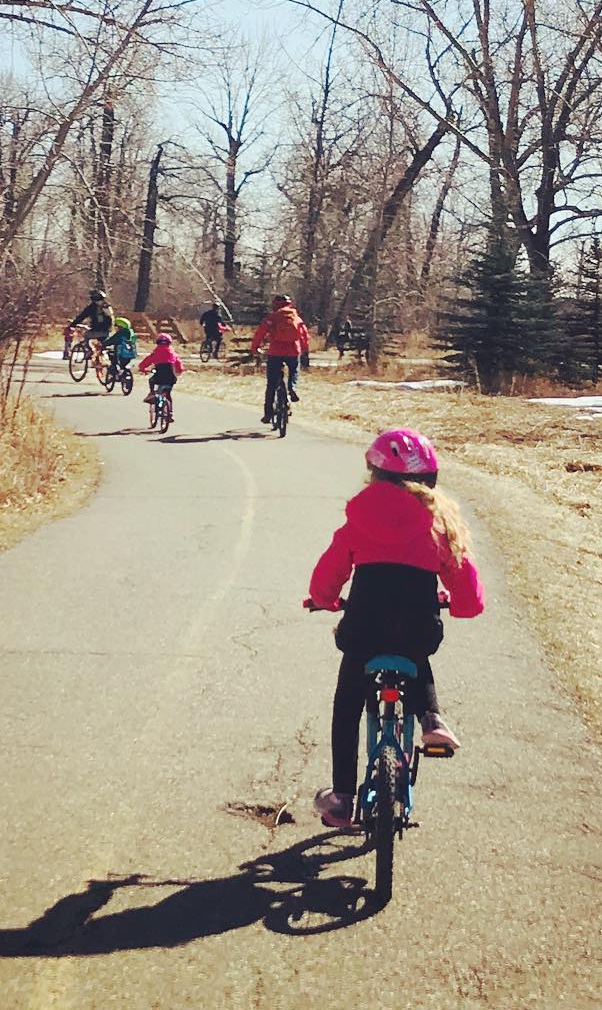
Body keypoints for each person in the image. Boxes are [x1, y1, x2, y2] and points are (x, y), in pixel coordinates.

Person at [305, 427, 484, 829]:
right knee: (416, 655)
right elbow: (466, 584)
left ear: (376, 476)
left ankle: (342, 798)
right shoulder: (440, 524)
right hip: (418, 628)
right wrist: (465, 606)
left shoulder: (358, 518)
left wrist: (323, 598)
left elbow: (328, 573)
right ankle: (432, 720)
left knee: (347, 704)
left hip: (364, 629)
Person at [250, 294, 310, 424]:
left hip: (276, 351)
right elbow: (304, 334)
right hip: (293, 350)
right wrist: (304, 349)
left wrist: (255, 347)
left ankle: (268, 414)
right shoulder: (296, 317)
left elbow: (261, 332)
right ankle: (292, 388)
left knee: (271, 384)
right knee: (294, 370)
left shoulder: (273, 317)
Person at [137, 333, 185, 419]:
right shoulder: (172, 352)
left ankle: (152, 393)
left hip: (159, 376)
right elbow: (179, 364)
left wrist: (142, 368)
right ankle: (169, 413)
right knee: (168, 394)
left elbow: (147, 361)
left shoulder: (157, 351)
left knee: (151, 380)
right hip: (171, 378)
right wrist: (179, 371)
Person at [68, 288, 115, 367]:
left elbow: (82, 316)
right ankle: (100, 360)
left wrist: (73, 324)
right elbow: (111, 318)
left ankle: (89, 351)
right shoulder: (107, 306)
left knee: (86, 335)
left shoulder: (92, 307)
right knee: (101, 346)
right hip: (107, 331)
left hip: (96, 330)